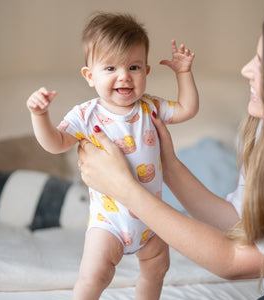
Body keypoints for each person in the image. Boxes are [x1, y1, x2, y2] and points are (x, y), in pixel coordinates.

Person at [76, 1, 264, 299]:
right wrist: (169, 166)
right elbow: (240, 222)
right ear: (89, 75)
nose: (245, 70)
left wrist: (123, 188)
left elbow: (233, 260)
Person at [26, 12, 199, 300]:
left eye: (133, 67)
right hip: (109, 223)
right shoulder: (85, 114)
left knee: (157, 269)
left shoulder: (150, 106)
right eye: (110, 68)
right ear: (90, 76)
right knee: (94, 276)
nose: (124, 76)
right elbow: (55, 143)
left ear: (145, 70)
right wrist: (40, 115)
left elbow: (186, 109)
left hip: (151, 220)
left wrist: (184, 73)